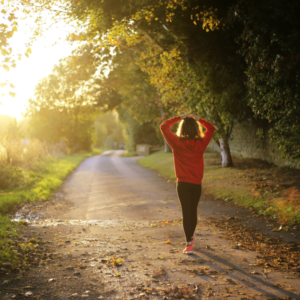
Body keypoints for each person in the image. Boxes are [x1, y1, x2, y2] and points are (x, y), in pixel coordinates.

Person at [160, 113, 215, 254]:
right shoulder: (201, 143)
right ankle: (190, 238)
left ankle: (189, 244)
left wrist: (179, 117)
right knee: (193, 211)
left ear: (182, 128)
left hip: (183, 184)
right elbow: (211, 128)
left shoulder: (176, 142)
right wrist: (199, 119)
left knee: (186, 212)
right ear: (196, 129)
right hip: (196, 183)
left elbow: (164, 126)